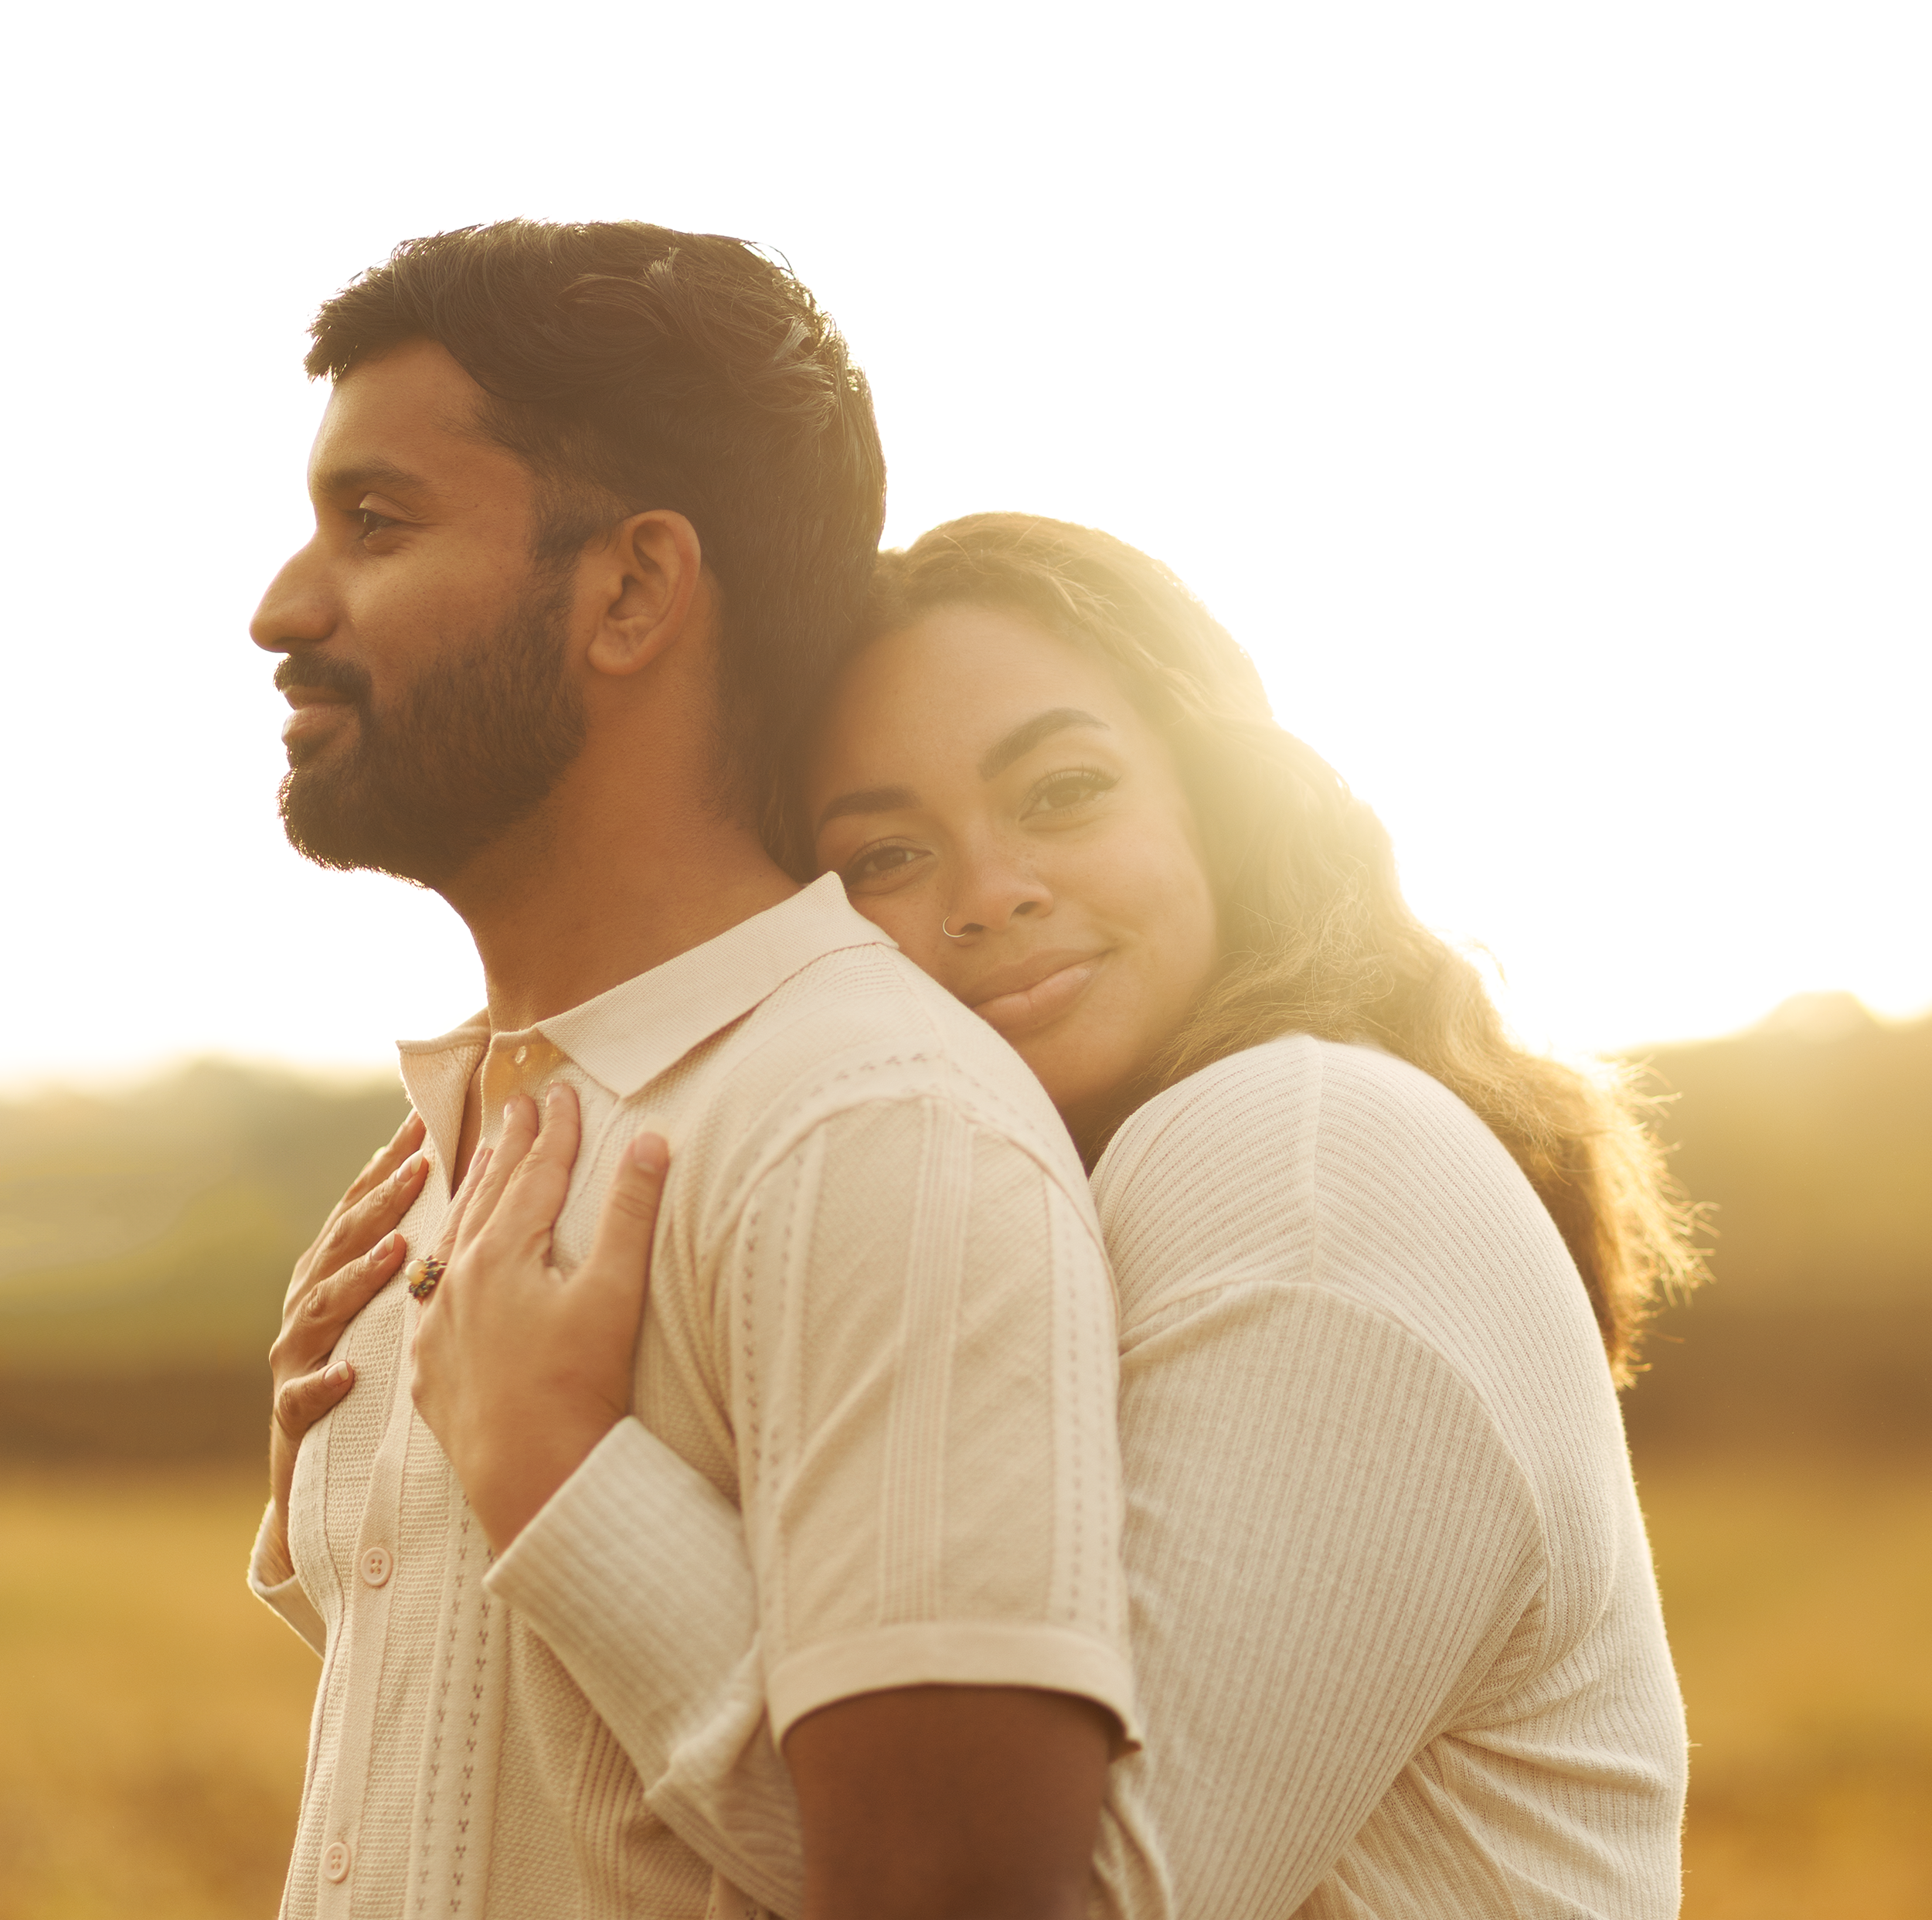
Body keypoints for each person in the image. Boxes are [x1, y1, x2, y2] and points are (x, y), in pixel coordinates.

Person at [407, 512, 1696, 1917]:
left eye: (1066, 790)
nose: (990, 893)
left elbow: (1034, 1892)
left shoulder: (1304, 1147)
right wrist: (390, 1429)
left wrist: (555, 1470)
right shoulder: (1070, 1194)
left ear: (1218, 801)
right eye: (885, 857)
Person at [247, 224, 1144, 1920]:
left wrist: (567, 1486)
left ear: (635, 590)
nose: (284, 607)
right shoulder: (466, 1152)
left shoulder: (871, 1129)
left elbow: (957, 1886)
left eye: (376, 524)